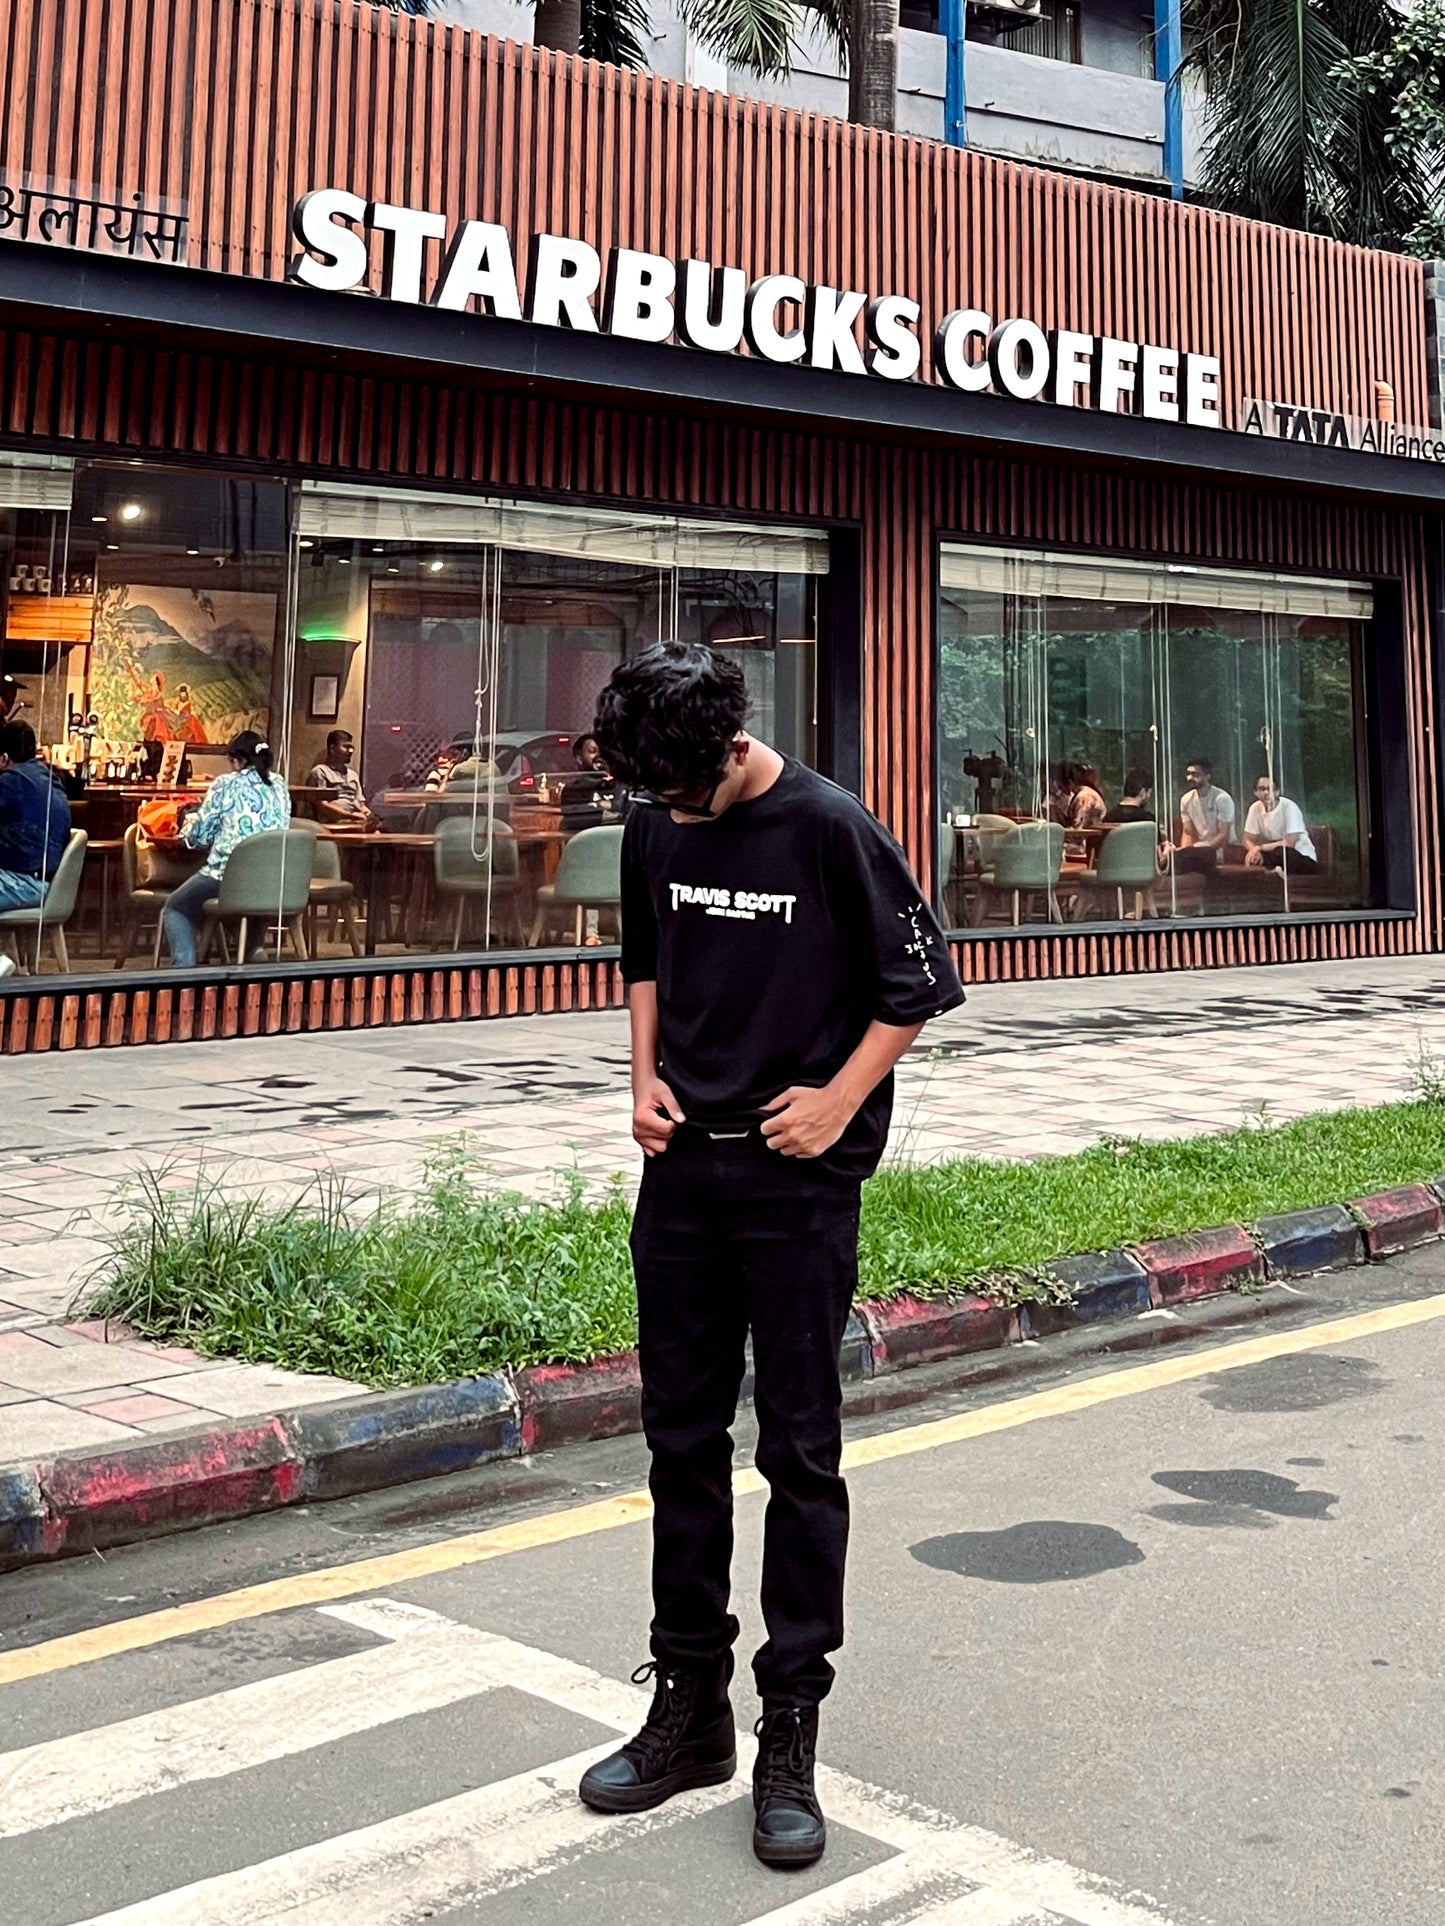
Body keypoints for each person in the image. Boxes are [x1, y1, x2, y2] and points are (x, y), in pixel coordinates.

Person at [582, 643, 963, 1871]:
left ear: (732, 750)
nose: (670, 815)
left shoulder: (828, 826)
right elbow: (645, 960)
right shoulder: (656, 816)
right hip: (680, 1173)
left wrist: (837, 1103)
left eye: (682, 795)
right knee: (679, 1443)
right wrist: (641, 1080)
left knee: (798, 1452)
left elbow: (917, 985)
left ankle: (788, 1728)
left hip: (796, 1183)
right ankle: (688, 1707)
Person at [163, 730, 291, 966]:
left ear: (238, 760)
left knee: (176, 907)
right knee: (248, 904)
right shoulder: (280, 785)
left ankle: (184, 971)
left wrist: (188, 822)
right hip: (271, 881)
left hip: (229, 878)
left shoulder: (226, 783)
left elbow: (199, 837)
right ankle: (253, 950)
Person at [0, 719, 71, 916]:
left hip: (25, 884)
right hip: (50, 884)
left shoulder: (11, 781)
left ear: (4, 758)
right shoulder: (50, 779)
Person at [1162, 757, 1235, 881]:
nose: (1190, 778)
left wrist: (1204, 851)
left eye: (1195, 775)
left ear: (1207, 776)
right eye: (1188, 774)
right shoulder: (1186, 799)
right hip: (1198, 850)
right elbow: (1188, 833)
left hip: (1219, 850)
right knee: (1171, 858)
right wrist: (1184, 853)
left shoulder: (1222, 798)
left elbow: (1224, 836)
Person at [1243, 776, 1319, 874]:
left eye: (1270, 789)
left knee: (1281, 852)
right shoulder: (1255, 808)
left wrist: (1259, 848)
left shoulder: (1289, 807)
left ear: (1277, 792)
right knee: (1253, 857)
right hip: (1272, 855)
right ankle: (1273, 871)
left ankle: (1274, 870)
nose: (1266, 792)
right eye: (1262, 789)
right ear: (1255, 792)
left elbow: (1290, 843)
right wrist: (1253, 851)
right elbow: (1247, 838)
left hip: (1302, 857)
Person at [307, 729, 377, 828]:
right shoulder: (320, 772)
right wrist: (352, 816)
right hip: (332, 823)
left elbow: (360, 804)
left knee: (379, 830)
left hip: (355, 820)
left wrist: (368, 815)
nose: (350, 751)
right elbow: (322, 805)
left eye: (351, 748)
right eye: (346, 747)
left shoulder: (353, 775)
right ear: (332, 749)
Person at [559, 732, 618, 832]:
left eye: (602, 751)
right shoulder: (573, 790)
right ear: (579, 759)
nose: (599, 755)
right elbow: (578, 821)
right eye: (592, 751)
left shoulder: (619, 785)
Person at [1050, 761, 1106, 829]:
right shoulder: (1085, 794)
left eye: (1059, 785)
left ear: (1069, 783)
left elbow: (1079, 827)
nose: (1059, 788)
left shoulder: (1085, 797)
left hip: (1088, 834)